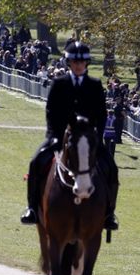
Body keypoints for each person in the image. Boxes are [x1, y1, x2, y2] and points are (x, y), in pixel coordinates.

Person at [21, 41, 119, 230]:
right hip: (61, 135)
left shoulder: (94, 85)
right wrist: (55, 136)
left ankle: (109, 213)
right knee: (36, 162)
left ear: (86, 63)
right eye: (74, 62)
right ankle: (32, 208)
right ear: (69, 63)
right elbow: (51, 111)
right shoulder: (59, 84)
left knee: (111, 167)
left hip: (88, 138)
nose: (78, 65)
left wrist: (96, 138)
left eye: (81, 62)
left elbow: (101, 114)